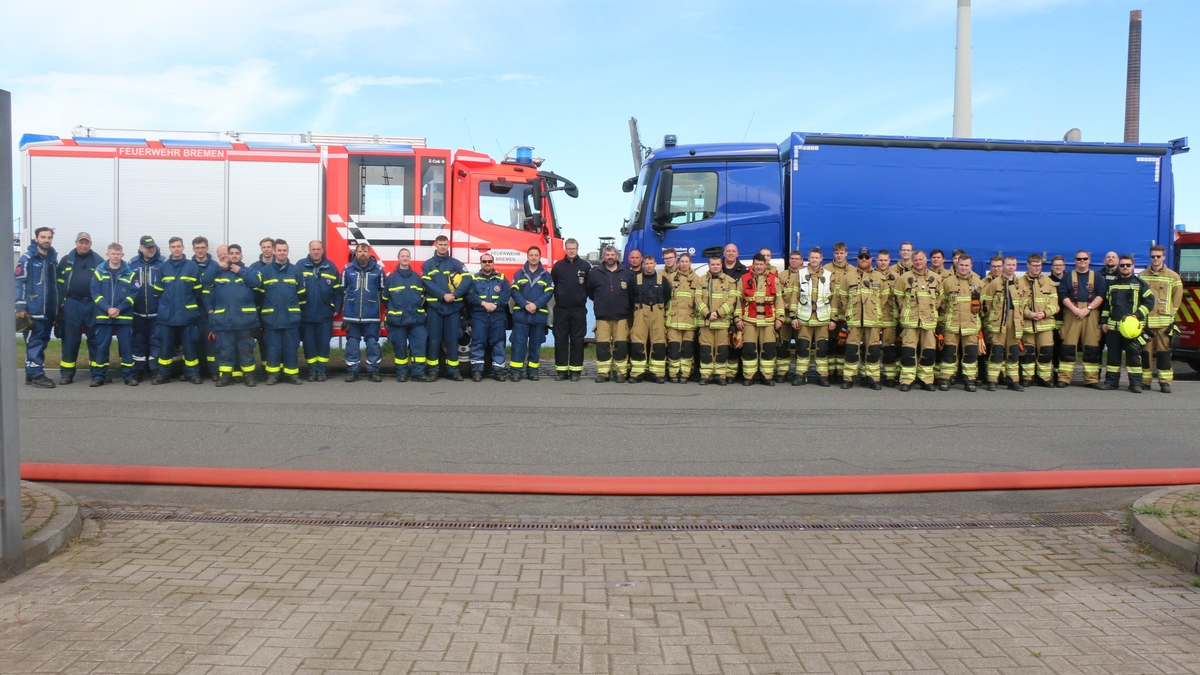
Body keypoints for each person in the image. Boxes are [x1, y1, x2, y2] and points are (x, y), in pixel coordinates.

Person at [151, 237, 204, 385]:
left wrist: (186, 304)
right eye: (173, 246)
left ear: (183, 247)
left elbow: (197, 291)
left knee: (189, 347)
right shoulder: (163, 267)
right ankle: (164, 374)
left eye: (178, 246)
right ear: (170, 248)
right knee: (165, 347)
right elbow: (158, 291)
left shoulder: (192, 266)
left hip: (187, 314)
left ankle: (192, 374)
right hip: (167, 315)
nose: (176, 249)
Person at [1099, 254, 1155, 392]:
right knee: (1113, 356)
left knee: (1134, 356)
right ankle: (1111, 382)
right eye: (1122, 265)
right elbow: (1107, 305)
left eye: (1128, 265)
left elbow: (1150, 302)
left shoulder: (1140, 284)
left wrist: (1137, 315)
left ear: (1133, 266)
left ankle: (1135, 384)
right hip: (1114, 327)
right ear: (1119, 266)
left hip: (1131, 329)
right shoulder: (1112, 284)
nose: (1125, 267)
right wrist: (1104, 321)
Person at [54, 231, 104, 385]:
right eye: (81, 242)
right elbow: (58, 282)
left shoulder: (98, 261)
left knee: (95, 339)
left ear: (90, 244)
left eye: (86, 242)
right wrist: (62, 302)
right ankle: (67, 374)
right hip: (72, 304)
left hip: (92, 304)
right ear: (76, 243)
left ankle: (97, 374)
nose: (83, 245)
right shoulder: (67, 260)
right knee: (70, 339)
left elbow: (105, 284)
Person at [209, 244, 261, 387]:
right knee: (225, 350)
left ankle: (249, 376)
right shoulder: (219, 273)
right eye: (231, 253)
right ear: (227, 255)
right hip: (225, 320)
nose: (234, 256)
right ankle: (225, 376)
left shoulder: (249, 271)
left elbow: (256, 282)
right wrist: (218, 266)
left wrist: (240, 271)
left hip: (245, 321)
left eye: (237, 253)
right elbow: (205, 280)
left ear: (241, 255)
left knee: (246, 349)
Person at [835, 248, 885, 389]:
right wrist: (850, 310)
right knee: (851, 350)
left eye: (866, 257)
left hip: (873, 320)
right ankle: (848, 378)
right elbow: (843, 297)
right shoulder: (848, 277)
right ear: (857, 259)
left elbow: (884, 298)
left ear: (871, 260)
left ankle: (873, 378)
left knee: (873, 351)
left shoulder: (879, 278)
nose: (864, 259)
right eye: (861, 257)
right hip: (855, 320)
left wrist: (875, 310)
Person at [257, 239, 306, 385]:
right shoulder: (265, 271)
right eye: (279, 250)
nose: (282, 253)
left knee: (291, 348)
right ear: (274, 251)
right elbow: (259, 296)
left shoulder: (296, 271)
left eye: (284, 250)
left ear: (287, 252)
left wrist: (296, 312)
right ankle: (273, 375)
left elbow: (302, 296)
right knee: (273, 349)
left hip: (291, 319)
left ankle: (291, 375)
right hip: (271, 319)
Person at [422, 235, 470, 381]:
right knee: (434, 340)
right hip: (435, 308)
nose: (443, 247)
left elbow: (467, 280)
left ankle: (453, 371)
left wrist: (455, 294)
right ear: (435, 245)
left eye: (445, 245)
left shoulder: (457, 264)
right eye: (440, 244)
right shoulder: (427, 265)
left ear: (448, 246)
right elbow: (427, 284)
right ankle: (433, 371)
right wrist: (443, 295)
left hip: (453, 308)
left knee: (452, 340)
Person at [89, 243, 138, 386]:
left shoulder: (131, 273)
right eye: (113, 254)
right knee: (102, 347)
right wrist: (107, 309)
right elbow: (95, 293)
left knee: (127, 347)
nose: (115, 256)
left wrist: (119, 309)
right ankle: (99, 376)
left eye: (118, 254)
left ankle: (129, 376)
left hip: (124, 316)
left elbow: (133, 294)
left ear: (122, 255)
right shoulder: (99, 272)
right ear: (108, 254)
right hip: (104, 316)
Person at [1057, 250, 1107, 388]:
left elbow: (1101, 295)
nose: (1082, 261)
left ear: (1089, 260)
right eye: (1079, 259)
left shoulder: (1097, 277)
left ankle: (1091, 379)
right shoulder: (1067, 277)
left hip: (1091, 314)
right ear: (1075, 261)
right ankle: (1064, 378)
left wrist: (1088, 309)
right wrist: (1075, 309)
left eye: (1085, 259)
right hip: (1072, 313)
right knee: (1068, 346)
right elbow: (1062, 295)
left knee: (1092, 347)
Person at [586, 245, 636, 382]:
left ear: (617, 256)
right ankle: (603, 373)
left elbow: (632, 294)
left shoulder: (627, 273)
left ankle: (620, 373)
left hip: (621, 317)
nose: (610, 257)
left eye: (612, 255)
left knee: (621, 346)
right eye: (607, 255)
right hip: (602, 316)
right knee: (602, 347)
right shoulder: (595, 273)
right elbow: (590, 292)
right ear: (603, 257)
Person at [16, 227, 59, 388]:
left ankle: (30, 372)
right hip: (33, 309)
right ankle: (37, 375)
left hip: (48, 309)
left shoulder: (51, 258)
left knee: (43, 341)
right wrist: (20, 305)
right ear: (36, 239)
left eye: (49, 237)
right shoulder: (27, 258)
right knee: (35, 342)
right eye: (43, 237)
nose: (46, 240)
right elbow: (19, 282)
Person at [936, 254, 985, 392]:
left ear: (971, 266)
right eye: (961, 265)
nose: (963, 268)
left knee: (970, 354)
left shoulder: (979, 283)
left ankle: (969, 380)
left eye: (966, 265)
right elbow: (942, 303)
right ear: (957, 265)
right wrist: (941, 323)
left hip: (971, 325)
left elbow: (984, 306)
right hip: (951, 325)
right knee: (949, 353)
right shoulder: (947, 282)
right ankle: (946, 378)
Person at [895, 250, 942, 391]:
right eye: (915, 260)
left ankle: (926, 380)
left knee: (928, 351)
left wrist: (930, 312)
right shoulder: (904, 278)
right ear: (912, 261)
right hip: (910, 321)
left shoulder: (936, 278)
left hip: (928, 321)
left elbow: (939, 299)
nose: (918, 262)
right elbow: (899, 299)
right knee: (908, 351)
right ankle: (907, 380)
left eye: (921, 259)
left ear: (926, 260)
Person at [981, 256, 1028, 391]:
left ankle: (1013, 381)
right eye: (1008, 265)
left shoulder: (1020, 284)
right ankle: (992, 380)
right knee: (996, 352)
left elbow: (1023, 304)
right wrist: (990, 320)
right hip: (999, 323)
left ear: (1016, 266)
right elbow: (986, 304)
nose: (1011, 267)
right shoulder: (994, 284)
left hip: (1015, 322)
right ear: (1003, 266)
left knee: (1013, 352)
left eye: (1013, 265)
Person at [1140, 244, 1182, 393]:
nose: (1156, 259)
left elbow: (1176, 299)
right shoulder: (1142, 275)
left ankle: (1165, 382)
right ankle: (1145, 381)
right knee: (1145, 353)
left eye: (1158, 256)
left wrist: (1171, 316)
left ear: (1164, 257)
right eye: (1153, 256)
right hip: (1146, 323)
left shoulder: (1173, 276)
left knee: (1164, 353)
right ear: (1150, 257)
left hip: (1164, 324)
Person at [341, 242, 386, 382]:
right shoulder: (347, 269)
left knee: (372, 342)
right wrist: (347, 306)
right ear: (356, 253)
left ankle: (373, 370)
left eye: (365, 252)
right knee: (352, 343)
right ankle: (352, 370)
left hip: (372, 315)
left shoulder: (378, 270)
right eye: (360, 252)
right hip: (352, 315)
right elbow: (342, 289)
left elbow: (383, 291)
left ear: (369, 253)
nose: (362, 254)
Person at [736, 253, 783, 386]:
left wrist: (779, 318)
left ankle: (767, 376)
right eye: (756, 264)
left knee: (768, 349)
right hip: (749, 320)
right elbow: (738, 300)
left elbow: (779, 300)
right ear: (753, 264)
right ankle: (749, 377)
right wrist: (738, 319)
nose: (758, 267)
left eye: (761, 264)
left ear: (765, 265)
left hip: (769, 321)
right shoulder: (744, 279)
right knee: (749, 349)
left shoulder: (774, 280)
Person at [298, 240, 341, 382]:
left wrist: (336, 307)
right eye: (313, 249)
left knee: (323, 344)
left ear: (323, 250)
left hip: (324, 314)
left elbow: (338, 291)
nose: (316, 252)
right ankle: (312, 371)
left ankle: (321, 370)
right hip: (306, 314)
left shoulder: (331, 267)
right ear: (309, 250)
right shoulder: (300, 266)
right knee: (309, 344)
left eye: (318, 249)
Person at [509, 246, 554, 381]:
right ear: (527, 257)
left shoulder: (546, 276)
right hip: (522, 315)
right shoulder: (519, 274)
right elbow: (514, 291)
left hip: (538, 315)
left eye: (536, 255)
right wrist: (525, 304)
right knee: (518, 344)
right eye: (531, 255)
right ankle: (516, 371)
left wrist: (536, 304)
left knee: (535, 345)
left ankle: (533, 371)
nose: (533, 257)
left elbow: (549, 293)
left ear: (540, 257)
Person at [793, 247, 836, 387]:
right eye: (812, 257)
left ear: (821, 259)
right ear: (808, 259)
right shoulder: (800, 274)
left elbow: (834, 298)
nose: (814, 260)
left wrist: (833, 319)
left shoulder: (829, 275)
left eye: (816, 258)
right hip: (804, 318)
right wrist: (793, 316)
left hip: (822, 319)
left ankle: (822, 376)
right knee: (803, 347)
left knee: (822, 348)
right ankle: (800, 374)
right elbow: (795, 296)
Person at [550, 238, 591, 381]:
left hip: (578, 310)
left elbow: (589, 287)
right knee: (560, 339)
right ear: (565, 249)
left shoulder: (585, 266)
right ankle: (561, 371)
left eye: (573, 248)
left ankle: (575, 371)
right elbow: (554, 283)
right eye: (568, 248)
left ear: (577, 249)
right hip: (561, 310)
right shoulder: (558, 266)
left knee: (577, 340)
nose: (571, 251)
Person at [695, 255, 739, 385]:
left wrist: (718, 313)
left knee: (722, 350)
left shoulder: (730, 282)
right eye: (713, 264)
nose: (715, 266)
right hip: (706, 322)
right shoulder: (701, 281)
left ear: (721, 265)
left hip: (722, 322)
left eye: (718, 264)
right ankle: (706, 375)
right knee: (706, 350)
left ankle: (720, 375)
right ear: (709, 265)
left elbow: (732, 301)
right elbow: (697, 300)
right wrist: (707, 314)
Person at [465, 252, 508, 382]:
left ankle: (498, 371)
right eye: (484, 261)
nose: (487, 264)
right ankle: (477, 371)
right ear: (481, 263)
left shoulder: (501, 278)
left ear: (493, 263)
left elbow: (506, 294)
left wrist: (495, 304)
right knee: (478, 343)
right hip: (479, 316)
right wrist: (484, 304)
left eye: (489, 261)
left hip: (497, 315)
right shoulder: (474, 279)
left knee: (498, 343)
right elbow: (470, 296)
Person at [1020, 254, 1059, 387]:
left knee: (1046, 352)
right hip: (1027, 324)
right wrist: (1029, 314)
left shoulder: (1049, 283)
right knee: (1028, 353)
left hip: (1045, 324)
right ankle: (1027, 377)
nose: (1037, 268)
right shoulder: (1019, 283)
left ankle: (1045, 378)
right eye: (1034, 265)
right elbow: (1017, 305)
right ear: (1028, 265)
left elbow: (1055, 305)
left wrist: (1045, 313)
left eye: (1039, 265)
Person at [629, 255, 670, 383]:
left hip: (658, 312)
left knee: (658, 342)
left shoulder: (662, 280)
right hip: (640, 312)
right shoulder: (635, 280)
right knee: (638, 342)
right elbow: (630, 296)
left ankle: (657, 373)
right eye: (646, 263)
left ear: (655, 264)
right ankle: (637, 373)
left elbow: (667, 295)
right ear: (643, 265)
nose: (648, 266)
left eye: (651, 263)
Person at [129, 235, 164, 382]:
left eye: (152, 246)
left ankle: (155, 369)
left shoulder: (163, 263)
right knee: (138, 342)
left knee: (156, 341)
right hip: (138, 313)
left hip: (156, 313)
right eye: (147, 247)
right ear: (140, 248)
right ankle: (138, 370)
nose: (151, 249)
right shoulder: (132, 264)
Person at [664, 251, 700, 383]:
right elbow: (665, 299)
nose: (684, 264)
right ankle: (673, 373)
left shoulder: (697, 279)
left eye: (687, 261)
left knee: (687, 349)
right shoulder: (671, 278)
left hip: (690, 321)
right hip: (674, 320)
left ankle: (685, 373)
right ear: (679, 262)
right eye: (682, 261)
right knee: (674, 349)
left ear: (690, 263)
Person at [823, 242, 853, 382]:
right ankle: (829, 373)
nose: (839, 256)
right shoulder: (826, 269)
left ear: (846, 253)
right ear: (833, 254)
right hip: (829, 313)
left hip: (845, 314)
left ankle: (840, 373)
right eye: (836, 253)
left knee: (842, 343)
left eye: (842, 253)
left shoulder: (853, 271)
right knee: (830, 343)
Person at [191, 236, 219, 381]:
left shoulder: (215, 266)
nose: (200, 250)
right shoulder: (188, 266)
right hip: (193, 311)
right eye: (197, 248)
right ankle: (195, 372)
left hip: (209, 312)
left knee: (210, 344)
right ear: (193, 249)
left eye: (203, 247)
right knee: (193, 342)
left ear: (207, 248)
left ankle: (213, 371)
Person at [774, 250, 804, 383]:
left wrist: (793, 306)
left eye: (797, 259)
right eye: (792, 258)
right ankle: (782, 372)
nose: (794, 261)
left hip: (801, 317)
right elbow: (777, 294)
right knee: (783, 346)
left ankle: (799, 373)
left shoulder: (805, 275)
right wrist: (784, 305)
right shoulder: (781, 276)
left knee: (801, 345)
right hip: (784, 318)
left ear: (802, 261)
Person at [875, 249, 901, 386]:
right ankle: (871, 375)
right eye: (880, 260)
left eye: (885, 260)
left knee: (889, 348)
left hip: (890, 317)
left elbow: (901, 298)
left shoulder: (896, 277)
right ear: (876, 261)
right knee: (871, 348)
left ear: (889, 261)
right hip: (872, 316)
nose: (883, 263)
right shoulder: (869, 276)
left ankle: (889, 376)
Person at [1048, 254, 1067, 383]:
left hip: (1066, 319)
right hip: (1051, 319)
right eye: (1056, 265)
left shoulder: (1069, 280)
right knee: (1052, 349)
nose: (1058, 267)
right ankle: (1053, 375)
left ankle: (1062, 375)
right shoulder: (1047, 280)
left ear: (1064, 266)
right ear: (1052, 267)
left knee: (1064, 349)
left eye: (1060, 265)